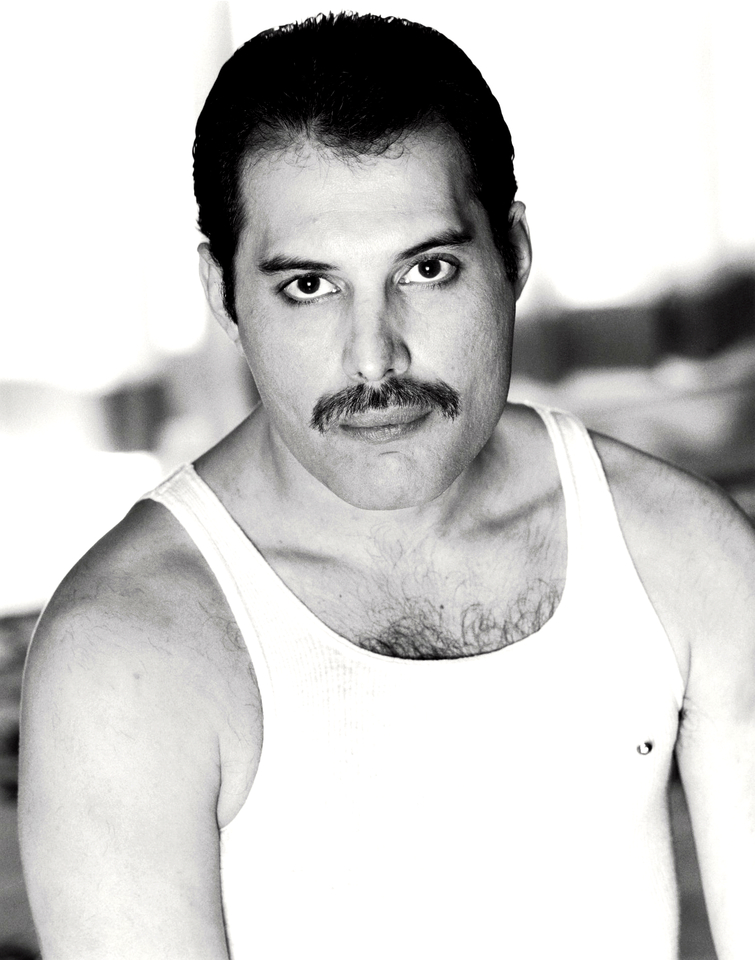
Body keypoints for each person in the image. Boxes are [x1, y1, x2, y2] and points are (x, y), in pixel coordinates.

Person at [18, 13, 755, 960]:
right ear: (222, 294)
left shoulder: (685, 552)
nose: (374, 359)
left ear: (514, 256)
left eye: (428, 269)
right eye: (309, 286)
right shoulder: (125, 653)